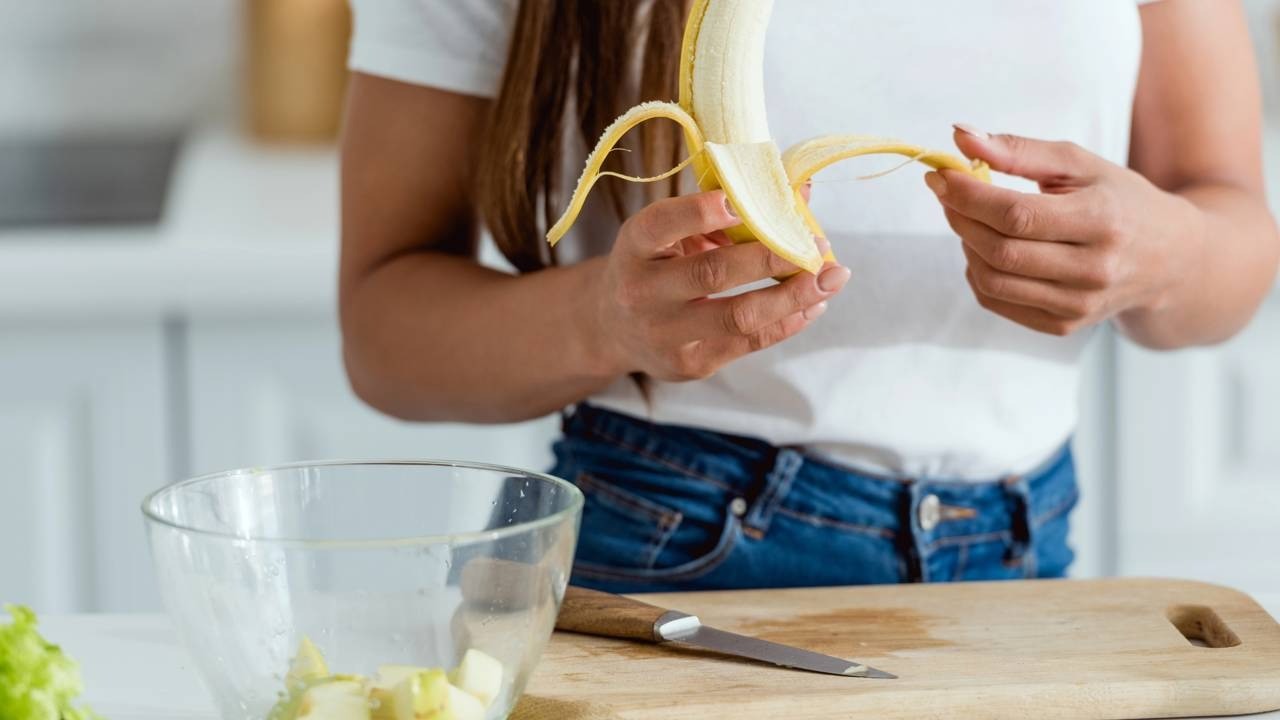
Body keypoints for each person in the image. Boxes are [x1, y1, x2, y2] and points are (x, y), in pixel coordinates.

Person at [338, 0, 1279, 593]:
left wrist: (1168, 255)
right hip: (673, 546)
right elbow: (384, 334)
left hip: (1024, 552)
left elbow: (1234, 231)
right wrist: (603, 321)